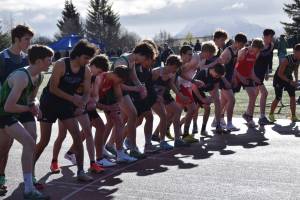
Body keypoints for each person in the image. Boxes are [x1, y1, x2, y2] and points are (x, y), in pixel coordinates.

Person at [35, 40, 96, 182]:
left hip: (66, 104)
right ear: (78, 55)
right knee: (44, 140)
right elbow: (53, 88)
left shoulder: (86, 70)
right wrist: (73, 98)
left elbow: (87, 92)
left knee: (77, 136)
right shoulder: (61, 64)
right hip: (49, 103)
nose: (88, 62)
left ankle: (80, 171)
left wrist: (82, 104)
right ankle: (30, 173)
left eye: (89, 59)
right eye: (86, 58)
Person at [0, 45, 53, 199]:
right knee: (4, 149)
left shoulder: (40, 76)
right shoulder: (22, 77)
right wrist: (29, 108)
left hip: (21, 108)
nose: (51, 63)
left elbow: (32, 97)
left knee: (31, 139)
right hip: (4, 112)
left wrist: (36, 104)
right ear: (38, 61)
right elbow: (8, 106)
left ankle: (29, 185)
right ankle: (28, 189)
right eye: (49, 60)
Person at [0, 24, 34, 192]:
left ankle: (30, 178)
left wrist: (32, 102)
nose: (29, 43)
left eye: (30, 39)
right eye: (26, 39)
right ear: (16, 39)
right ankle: (1, 176)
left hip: (22, 106)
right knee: (5, 146)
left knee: (31, 138)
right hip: (5, 107)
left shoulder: (27, 59)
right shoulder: (2, 58)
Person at [112, 43, 154, 159]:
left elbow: (134, 77)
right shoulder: (122, 61)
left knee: (123, 119)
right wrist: (136, 88)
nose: (143, 62)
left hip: (122, 91)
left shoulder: (132, 60)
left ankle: (113, 145)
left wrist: (141, 87)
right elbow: (118, 84)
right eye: (144, 58)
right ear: (139, 54)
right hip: (114, 92)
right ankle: (131, 147)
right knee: (131, 115)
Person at [94, 66, 138, 163]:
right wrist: (107, 108)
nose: (120, 83)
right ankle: (73, 153)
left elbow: (119, 96)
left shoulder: (115, 80)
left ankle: (118, 153)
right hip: (92, 101)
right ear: (115, 75)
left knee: (116, 122)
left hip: (106, 98)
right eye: (120, 80)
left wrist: (118, 105)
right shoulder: (100, 78)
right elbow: (93, 100)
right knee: (92, 128)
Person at [152, 55, 190, 148]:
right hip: (153, 96)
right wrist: (155, 96)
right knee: (163, 116)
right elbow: (148, 85)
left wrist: (180, 95)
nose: (176, 70)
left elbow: (171, 84)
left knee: (177, 110)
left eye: (177, 68)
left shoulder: (171, 73)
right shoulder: (156, 72)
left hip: (164, 95)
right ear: (169, 64)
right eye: (175, 67)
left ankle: (177, 139)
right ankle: (161, 140)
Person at [219, 33, 248, 131]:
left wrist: (234, 78)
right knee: (231, 100)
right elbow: (219, 68)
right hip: (223, 79)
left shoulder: (237, 50)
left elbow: (233, 67)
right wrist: (224, 80)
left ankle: (217, 120)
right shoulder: (227, 52)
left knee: (223, 101)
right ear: (237, 42)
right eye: (242, 44)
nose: (243, 47)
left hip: (229, 79)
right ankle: (229, 124)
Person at [234, 38, 264, 128]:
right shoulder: (243, 52)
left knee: (253, 94)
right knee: (228, 99)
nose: (258, 52)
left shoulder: (256, 53)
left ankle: (248, 117)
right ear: (253, 46)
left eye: (259, 50)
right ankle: (219, 118)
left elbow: (251, 68)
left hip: (247, 77)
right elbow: (234, 68)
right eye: (257, 49)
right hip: (236, 76)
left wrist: (255, 78)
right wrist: (241, 78)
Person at [269, 44, 300, 123]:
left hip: (288, 77)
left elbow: (296, 68)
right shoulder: (287, 59)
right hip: (279, 78)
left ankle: (293, 116)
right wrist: (290, 81)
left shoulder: (298, 59)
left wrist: (296, 80)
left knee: (292, 96)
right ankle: (271, 114)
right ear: (295, 51)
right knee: (278, 97)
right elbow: (280, 73)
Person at [192, 64, 226, 135]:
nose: (217, 77)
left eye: (219, 76)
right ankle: (194, 125)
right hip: (194, 91)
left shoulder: (217, 76)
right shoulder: (203, 73)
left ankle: (216, 125)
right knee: (196, 107)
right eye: (216, 75)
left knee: (214, 104)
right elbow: (194, 87)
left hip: (203, 91)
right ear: (213, 70)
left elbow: (215, 89)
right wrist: (202, 99)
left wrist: (213, 98)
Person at [254, 29, 275, 126]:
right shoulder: (258, 46)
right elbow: (253, 60)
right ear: (265, 37)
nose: (272, 38)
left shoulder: (271, 45)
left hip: (262, 73)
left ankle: (248, 114)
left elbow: (268, 59)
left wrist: (267, 72)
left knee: (255, 94)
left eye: (272, 36)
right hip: (255, 73)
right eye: (271, 36)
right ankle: (262, 117)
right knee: (264, 93)